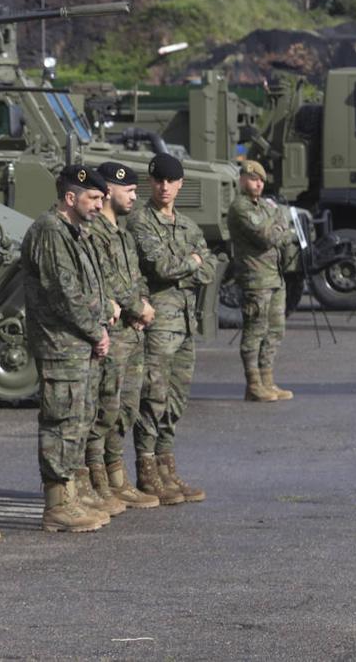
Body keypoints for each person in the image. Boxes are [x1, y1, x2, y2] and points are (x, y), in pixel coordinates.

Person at [20, 164, 115, 533]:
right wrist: (96, 331)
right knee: (61, 421)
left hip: (78, 342)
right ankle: (57, 505)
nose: (98, 205)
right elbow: (64, 294)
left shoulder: (74, 232)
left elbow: (89, 290)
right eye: (93, 197)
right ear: (70, 197)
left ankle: (72, 495)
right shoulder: (50, 230)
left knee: (78, 418)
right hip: (61, 343)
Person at [127, 152, 218, 505]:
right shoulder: (141, 222)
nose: (165, 187)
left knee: (176, 399)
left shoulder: (188, 226)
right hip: (158, 324)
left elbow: (211, 270)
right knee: (153, 397)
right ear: (152, 182)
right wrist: (193, 262)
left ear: (181, 184)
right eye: (159, 180)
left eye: (171, 181)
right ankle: (147, 471)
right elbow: (161, 267)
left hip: (184, 323)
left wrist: (193, 264)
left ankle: (167, 466)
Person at [85, 161, 159, 510]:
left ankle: (117, 477)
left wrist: (143, 303)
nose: (134, 196)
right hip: (115, 334)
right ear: (109, 190)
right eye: (128, 190)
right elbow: (106, 280)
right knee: (105, 408)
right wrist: (136, 307)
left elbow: (137, 276)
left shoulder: (124, 233)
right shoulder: (95, 231)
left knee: (127, 408)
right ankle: (97, 478)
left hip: (133, 333)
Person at [226, 160, 297, 402]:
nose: (258, 184)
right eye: (254, 179)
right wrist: (279, 228)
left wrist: (278, 227)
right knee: (255, 330)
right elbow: (267, 236)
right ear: (243, 179)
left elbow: (284, 230)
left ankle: (267, 379)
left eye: (261, 181)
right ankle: (253, 383)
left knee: (275, 330)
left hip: (274, 276)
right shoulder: (240, 207)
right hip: (256, 278)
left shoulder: (265, 206)